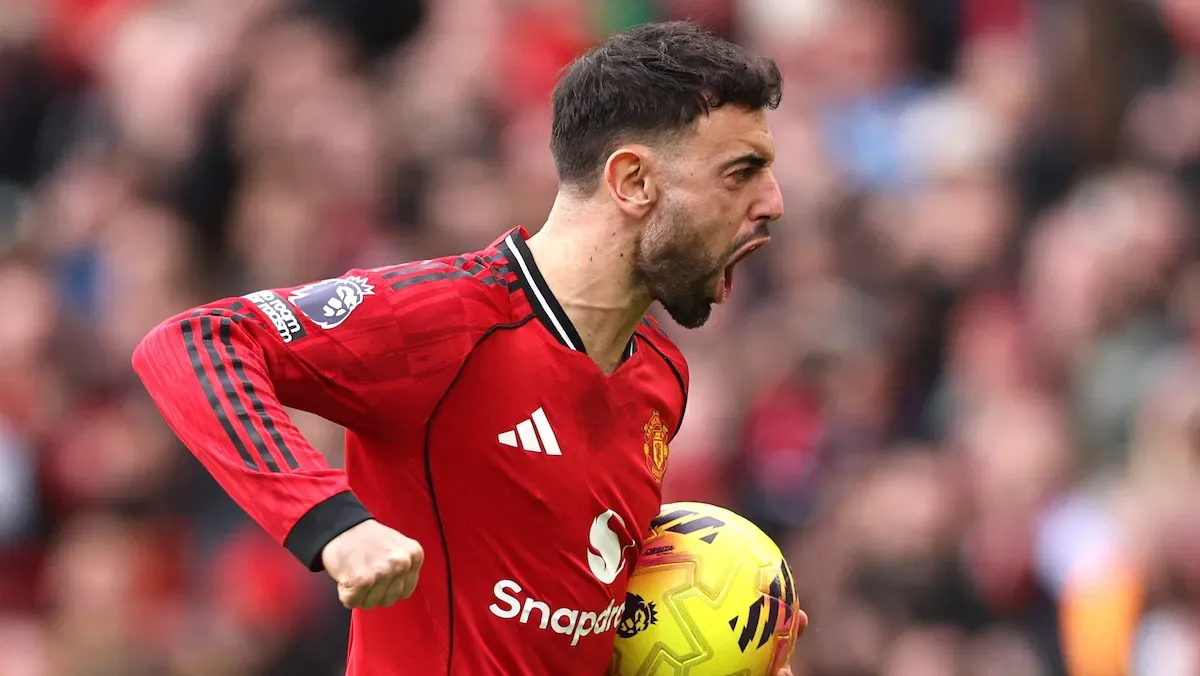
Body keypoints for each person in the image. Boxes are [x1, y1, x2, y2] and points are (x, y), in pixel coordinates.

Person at [133, 20, 805, 676]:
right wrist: (333, 523)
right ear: (632, 180)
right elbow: (193, 345)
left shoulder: (659, 376)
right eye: (741, 171)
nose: (772, 202)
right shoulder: (448, 320)